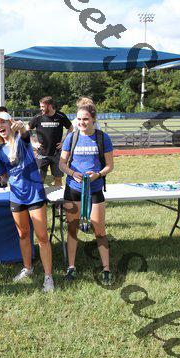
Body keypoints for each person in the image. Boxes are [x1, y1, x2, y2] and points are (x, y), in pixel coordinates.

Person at [0, 112, 54, 292]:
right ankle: (28, 268)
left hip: (34, 194)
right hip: (16, 196)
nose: (0, 126)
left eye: (3, 122)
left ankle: (48, 277)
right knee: (23, 235)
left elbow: (26, 134)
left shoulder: (21, 140)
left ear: (10, 123)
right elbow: (5, 175)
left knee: (42, 236)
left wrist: (23, 128)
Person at [59, 102, 114, 284]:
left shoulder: (102, 138)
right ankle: (71, 267)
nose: (82, 122)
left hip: (95, 189)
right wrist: (72, 173)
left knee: (99, 229)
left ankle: (106, 268)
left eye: (85, 119)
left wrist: (98, 174)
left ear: (93, 119)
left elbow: (109, 166)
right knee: (72, 228)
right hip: (73, 190)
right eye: (79, 119)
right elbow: (62, 164)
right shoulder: (72, 137)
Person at [28, 96, 73, 186]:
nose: (41, 108)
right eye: (40, 106)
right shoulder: (38, 117)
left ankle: (57, 195)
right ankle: (40, 195)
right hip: (42, 154)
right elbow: (27, 128)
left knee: (58, 179)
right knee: (39, 180)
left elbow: (70, 128)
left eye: (43, 106)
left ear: (49, 106)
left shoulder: (60, 116)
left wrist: (64, 142)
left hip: (57, 154)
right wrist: (33, 143)